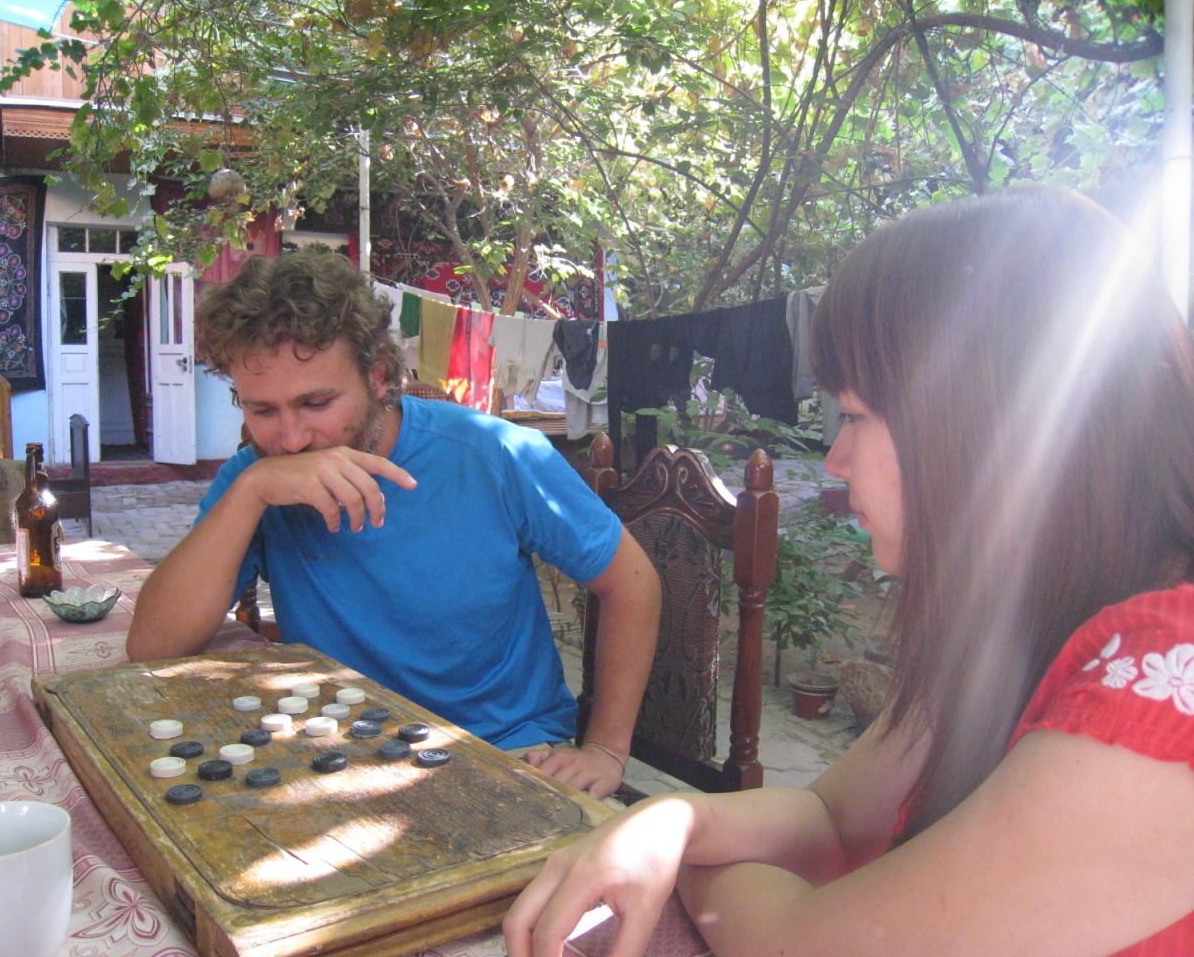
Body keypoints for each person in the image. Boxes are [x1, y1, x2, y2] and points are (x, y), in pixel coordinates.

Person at [503, 184, 1194, 956]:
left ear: (987, 423)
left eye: (858, 416)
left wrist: (691, 860)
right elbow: (834, 819)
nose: (835, 459)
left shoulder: (1165, 683)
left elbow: (800, 943)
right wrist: (674, 821)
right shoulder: (1022, 625)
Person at [126, 252, 660, 799]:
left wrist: (605, 749)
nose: (291, 439)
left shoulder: (494, 454)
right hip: (340, 753)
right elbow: (152, 647)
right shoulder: (260, 478)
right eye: (263, 411)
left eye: (316, 403)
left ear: (379, 376)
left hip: (508, 750)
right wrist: (251, 491)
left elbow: (632, 582)